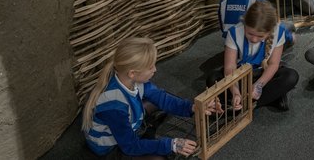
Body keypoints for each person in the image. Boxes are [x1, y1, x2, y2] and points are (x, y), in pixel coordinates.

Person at [83, 37, 220, 159]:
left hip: (124, 129)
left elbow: (162, 98)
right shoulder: (114, 105)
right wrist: (171, 145)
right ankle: (145, 131)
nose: (155, 70)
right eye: (150, 67)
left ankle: (145, 128)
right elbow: (130, 146)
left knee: (158, 100)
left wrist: (192, 107)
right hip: (111, 148)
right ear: (132, 73)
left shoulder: (131, 79)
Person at [207, 0, 299, 111]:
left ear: (269, 31)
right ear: (245, 24)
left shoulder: (279, 32)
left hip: (263, 73)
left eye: (260, 36)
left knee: (291, 76)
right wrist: (235, 92)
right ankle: (266, 99)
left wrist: (258, 85)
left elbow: (273, 64)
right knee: (213, 79)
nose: (254, 39)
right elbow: (230, 67)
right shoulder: (234, 32)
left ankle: (245, 107)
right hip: (239, 75)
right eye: (250, 33)